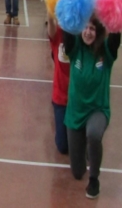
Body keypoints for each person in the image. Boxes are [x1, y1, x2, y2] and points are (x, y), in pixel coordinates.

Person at [59, 15, 122, 199]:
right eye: (85, 28)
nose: (88, 32)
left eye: (92, 29)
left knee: (94, 134)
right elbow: (67, 34)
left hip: (97, 109)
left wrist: (116, 14)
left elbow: (115, 38)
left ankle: (94, 180)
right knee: (77, 172)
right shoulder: (75, 48)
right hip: (75, 113)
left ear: (99, 32)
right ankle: (88, 151)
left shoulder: (106, 51)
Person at [48, 14, 69, 155]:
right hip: (60, 98)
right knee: (63, 147)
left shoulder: (84, 35)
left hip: (78, 100)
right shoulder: (58, 34)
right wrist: (50, 13)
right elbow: (51, 27)